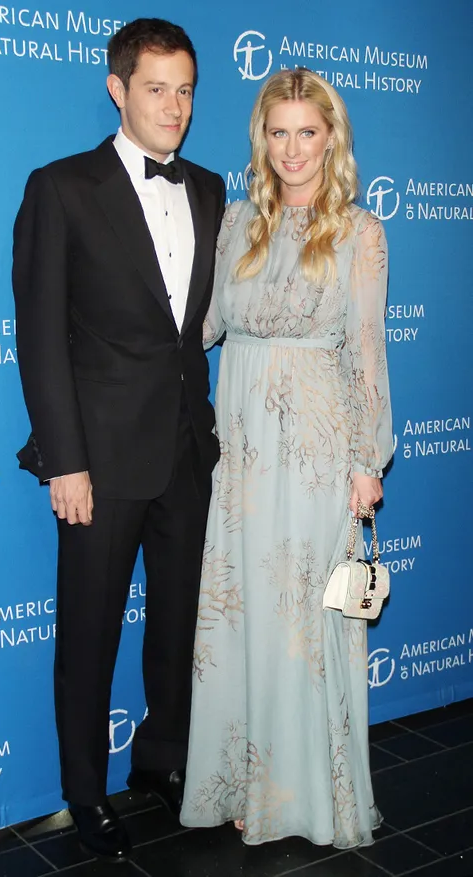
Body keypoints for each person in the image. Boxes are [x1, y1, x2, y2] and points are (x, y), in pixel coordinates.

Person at [12, 17, 225, 862]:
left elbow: (193, 330)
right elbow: (39, 337)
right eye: (156, 89)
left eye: (185, 91)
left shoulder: (209, 189)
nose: (174, 107)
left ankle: (163, 759)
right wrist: (64, 460)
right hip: (98, 461)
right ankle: (85, 791)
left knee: (177, 625)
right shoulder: (62, 187)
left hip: (187, 450)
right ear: (117, 88)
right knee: (90, 630)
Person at [180, 68, 393, 848]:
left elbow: (366, 350)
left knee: (304, 621)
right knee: (244, 617)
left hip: (314, 451)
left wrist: (367, 460)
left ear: (330, 138)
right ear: (261, 139)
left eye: (308, 132)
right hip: (241, 452)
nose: (293, 149)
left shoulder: (360, 231)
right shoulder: (237, 222)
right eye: (279, 133)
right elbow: (204, 325)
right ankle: (251, 782)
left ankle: (305, 796)